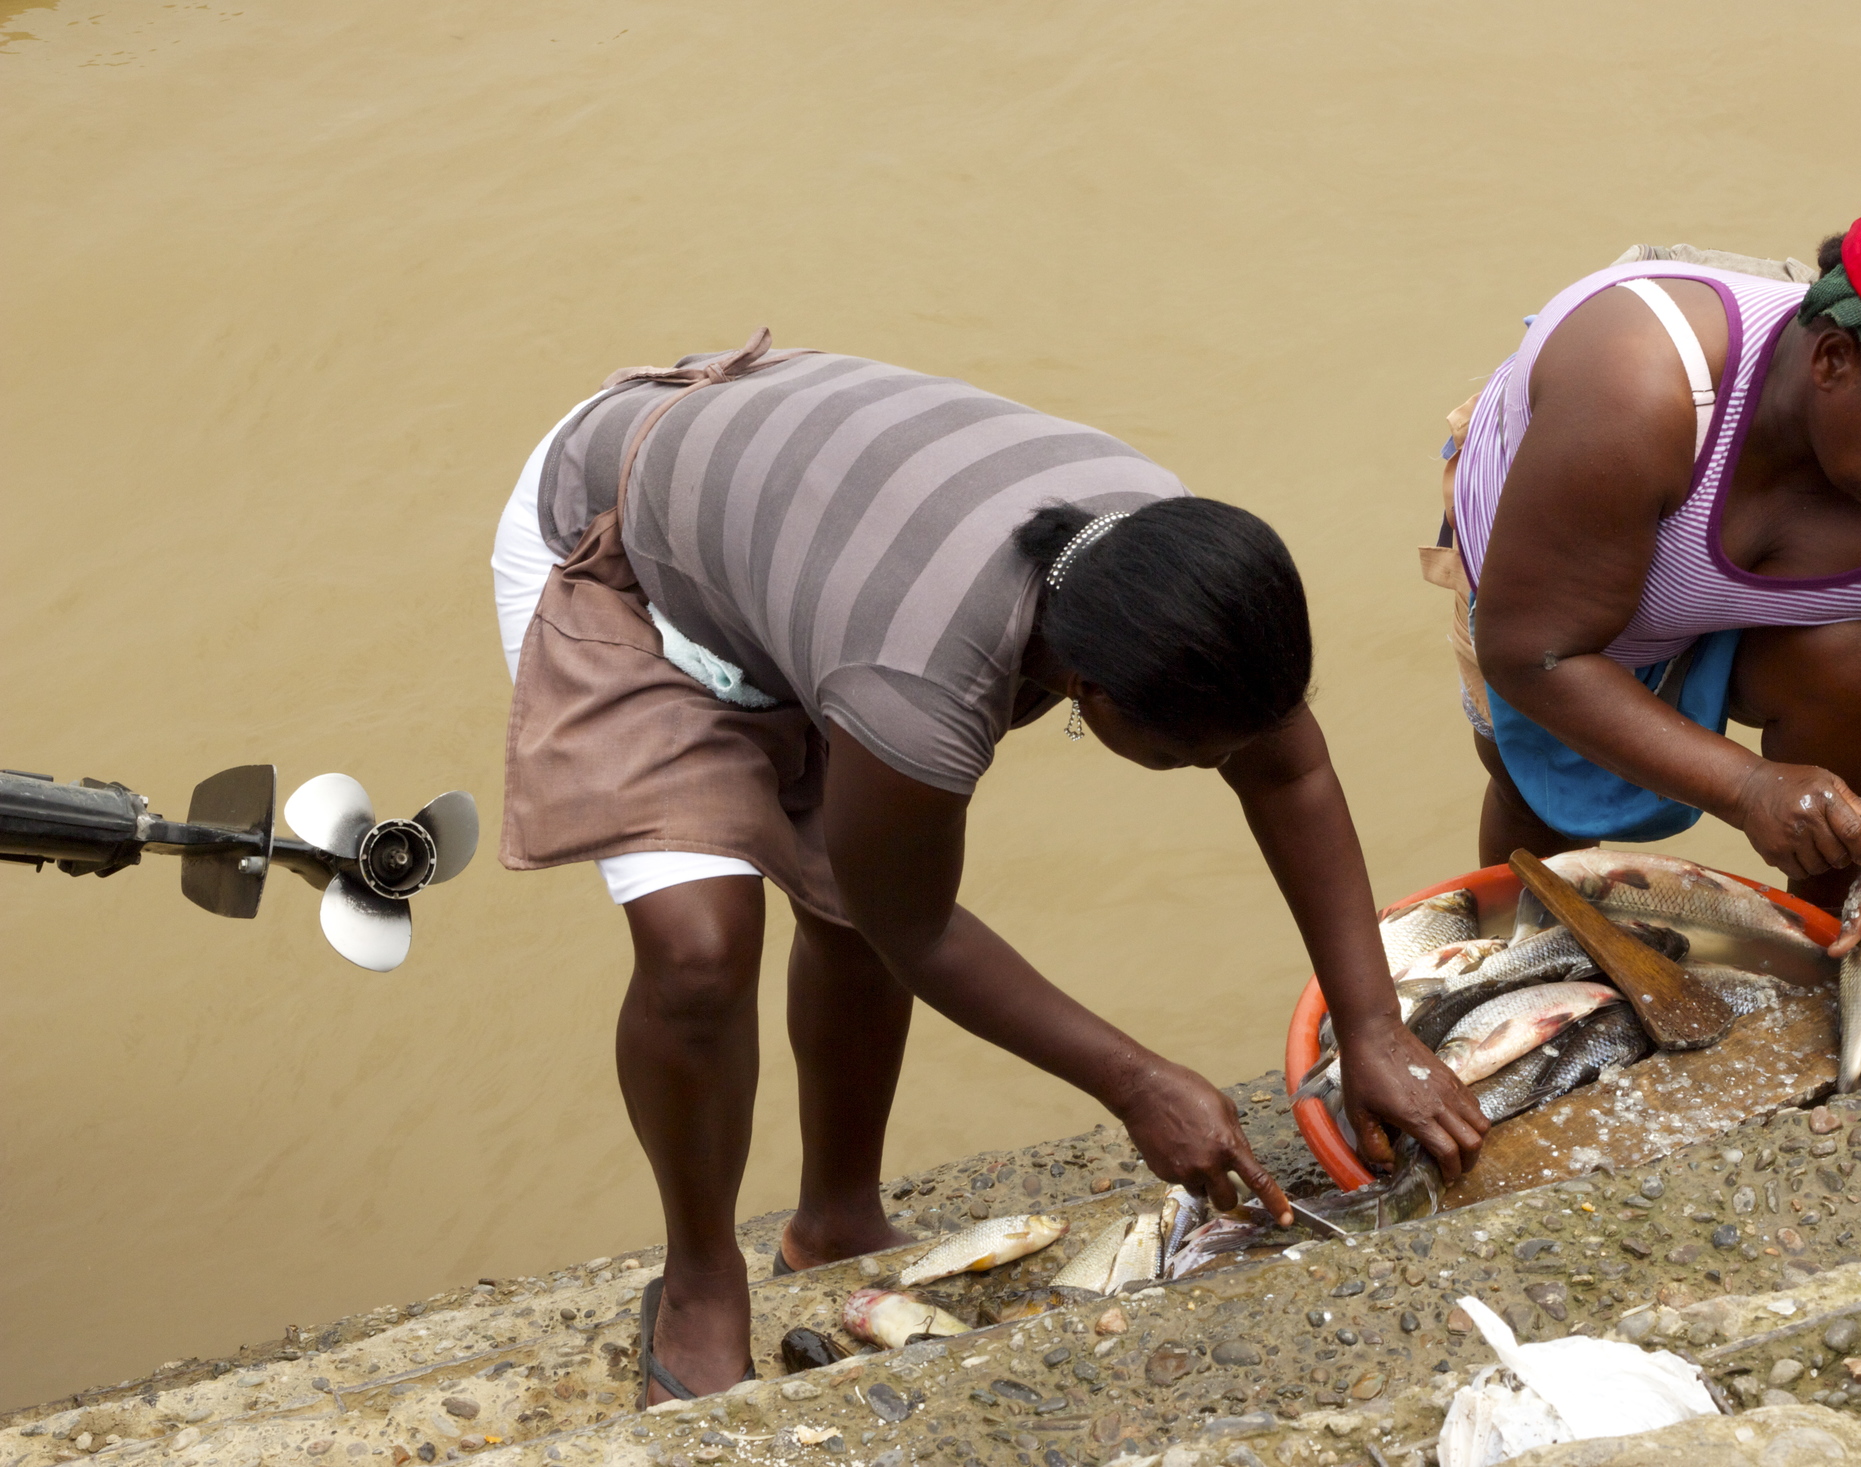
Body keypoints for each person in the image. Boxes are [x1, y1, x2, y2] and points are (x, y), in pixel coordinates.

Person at [490, 331, 1485, 1405]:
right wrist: (1138, 1082)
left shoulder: (1174, 567)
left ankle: (835, 1217)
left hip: (808, 548)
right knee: (700, 947)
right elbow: (911, 924)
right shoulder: (916, 678)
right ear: (1087, 695)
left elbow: (1288, 776)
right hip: (625, 552)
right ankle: (699, 1272)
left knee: (842, 898)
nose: (1215, 767)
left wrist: (1372, 1022)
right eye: (1188, 755)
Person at [1432, 189, 1861, 1002]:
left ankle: (1829, 945)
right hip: (1571, 574)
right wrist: (1746, 785)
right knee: (1542, 788)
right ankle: (1510, 973)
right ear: (1832, 360)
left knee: (1857, 666)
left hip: (1769, 600)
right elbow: (1533, 652)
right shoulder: (1636, 389)